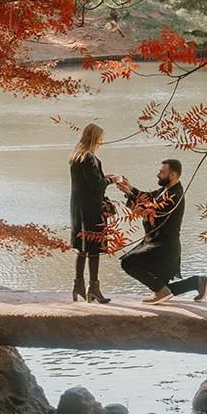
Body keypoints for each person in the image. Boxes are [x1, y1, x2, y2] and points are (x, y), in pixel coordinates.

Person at [111, 159, 207, 304]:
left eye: (162, 172)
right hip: (158, 244)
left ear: (173, 175)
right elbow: (149, 198)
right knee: (162, 287)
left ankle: (165, 290)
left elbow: (151, 211)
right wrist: (130, 188)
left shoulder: (175, 195)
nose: (158, 174)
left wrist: (129, 194)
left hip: (163, 247)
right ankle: (197, 282)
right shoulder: (166, 190)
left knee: (128, 263)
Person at [68, 123, 121, 303]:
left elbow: (87, 185)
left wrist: (103, 180)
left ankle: (78, 286)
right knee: (94, 250)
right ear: (94, 139)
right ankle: (94, 289)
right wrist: (112, 180)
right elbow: (96, 186)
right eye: (100, 139)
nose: (101, 143)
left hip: (78, 210)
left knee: (82, 248)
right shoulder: (90, 159)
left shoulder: (76, 157)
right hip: (92, 210)